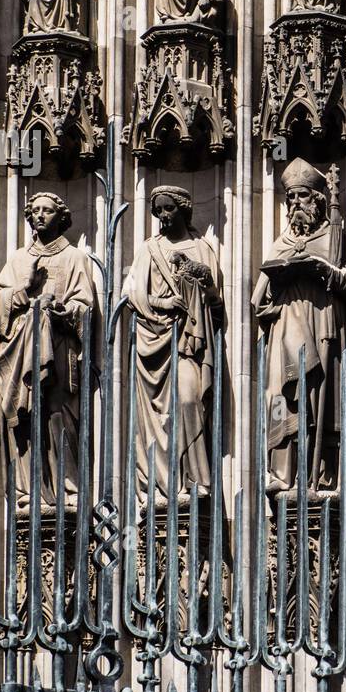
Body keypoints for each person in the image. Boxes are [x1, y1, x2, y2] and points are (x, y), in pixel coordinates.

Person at [253, 159, 346, 495]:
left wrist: (327, 272)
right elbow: (258, 301)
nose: (295, 205)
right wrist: (279, 280)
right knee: (280, 397)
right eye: (290, 199)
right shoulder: (281, 242)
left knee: (318, 399)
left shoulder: (334, 239)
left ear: (318, 199)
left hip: (322, 328)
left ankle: (318, 474)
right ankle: (282, 472)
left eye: (302, 197)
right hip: (285, 329)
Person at [0, 192, 96, 509]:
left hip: (60, 350)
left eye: (47, 211)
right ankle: (29, 491)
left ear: (60, 216)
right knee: (25, 418)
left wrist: (65, 310)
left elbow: (86, 307)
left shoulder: (75, 258)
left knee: (58, 415)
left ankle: (68, 488)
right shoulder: (18, 260)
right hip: (22, 351)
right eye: (35, 210)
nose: (40, 215)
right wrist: (25, 289)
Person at [124, 186, 223, 504]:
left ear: (183, 210)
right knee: (158, 420)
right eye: (158, 211)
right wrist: (162, 303)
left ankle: (196, 480)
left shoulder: (202, 248)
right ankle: (165, 487)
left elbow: (215, 301)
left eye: (168, 209)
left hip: (189, 344)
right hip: (154, 344)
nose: (162, 217)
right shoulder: (148, 250)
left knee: (189, 398)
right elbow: (132, 295)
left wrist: (200, 285)